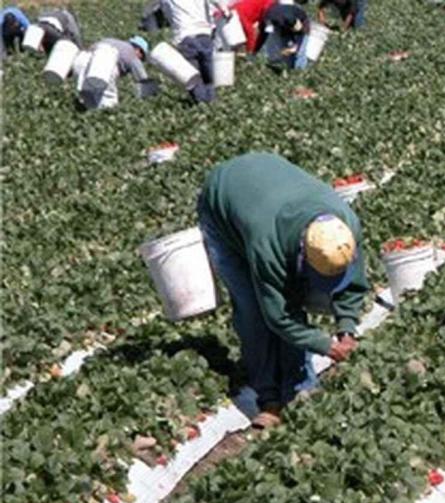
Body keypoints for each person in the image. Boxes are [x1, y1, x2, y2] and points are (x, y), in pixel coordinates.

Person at [197, 152, 370, 429]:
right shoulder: (266, 243)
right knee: (253, 309)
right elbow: (279, 315)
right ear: (302, 255)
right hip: (223, 203)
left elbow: (354, 285)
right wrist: (326, 346)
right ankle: (268, 398)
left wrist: (346, 329)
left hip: (269, 187)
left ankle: (299, 388)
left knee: (295, 295)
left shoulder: (344, 229)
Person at [160, 0, 217, 103]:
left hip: (185, 37)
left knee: (192, 77)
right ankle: (213, 103)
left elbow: (167, 13)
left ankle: (202, 105)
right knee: (209, 76)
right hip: (204, 34)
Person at [76, 36, 154, 110]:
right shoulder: (132, 54)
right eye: (142, 57)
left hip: (84, 60)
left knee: (88, 96)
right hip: (106, 62)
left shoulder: (113, 42)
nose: (140, 59)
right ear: (139, 50)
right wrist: (149, 99)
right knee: (109, 104)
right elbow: (143, 79)